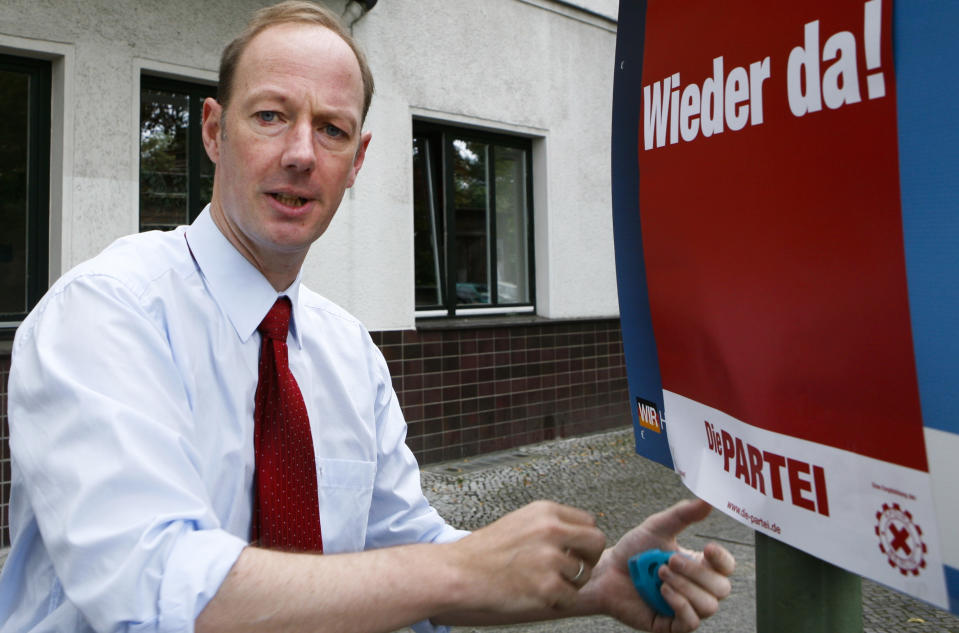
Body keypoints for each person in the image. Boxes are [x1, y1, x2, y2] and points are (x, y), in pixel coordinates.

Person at [0, 3, 735, 632]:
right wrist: (453, 570)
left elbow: (407, 547)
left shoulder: (346, 353)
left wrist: (593, 583)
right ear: (214, 131)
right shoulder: (102, 314)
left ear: (357, 161)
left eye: (331, 129)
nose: (299, 153)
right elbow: (154, 584)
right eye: (271, 116)